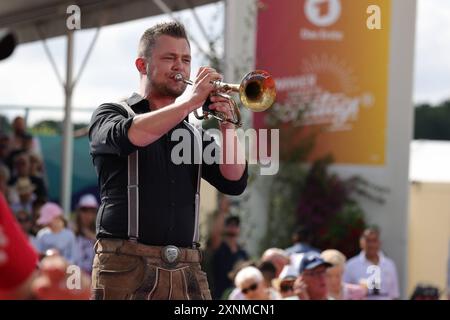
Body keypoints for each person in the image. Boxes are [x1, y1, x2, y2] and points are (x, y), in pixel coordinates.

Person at [88, 21, 247, 300]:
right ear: (142, 65)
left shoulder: (192, 132)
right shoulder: (112, 112)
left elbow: (234, 181)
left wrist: (227, 124)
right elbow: (132, 135)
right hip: (125, 264)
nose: (180, 67)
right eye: (169, 58)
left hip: (187, 266)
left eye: (185, 60)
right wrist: (189, 103)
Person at [343, 227, 400, 300]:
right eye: (368, 240)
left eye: (374, 240)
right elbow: (344, 292)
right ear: (361, 243)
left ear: (379, 243)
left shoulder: (389, 265)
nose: (371, 245)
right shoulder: (351, 265)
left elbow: (394, 294)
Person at [210, 211, 249, 299]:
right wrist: (222, 211)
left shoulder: (242, 253)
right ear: (225, 228)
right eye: (230, 225)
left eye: (235, 225)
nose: (233, 227)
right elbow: (215, 235)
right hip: (219, 295)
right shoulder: (219, 248)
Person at [73, 194, 98, 275]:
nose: (88, 214)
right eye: (84, 210)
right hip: (72, 277)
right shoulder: (70, 231)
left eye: (92, 211)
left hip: (92, 279)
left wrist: (90, 235)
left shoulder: (100, 233)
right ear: (78, 211)